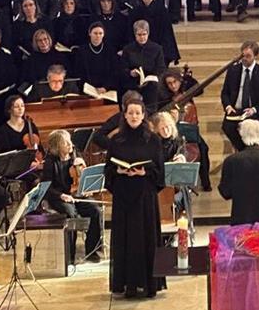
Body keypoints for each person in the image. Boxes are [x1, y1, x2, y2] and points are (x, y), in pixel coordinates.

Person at [104, 97, 166, 298]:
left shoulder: (153, 139)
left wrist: (144, 172)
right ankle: (127, 284)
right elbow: (108, 170)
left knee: (146, 238)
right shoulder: (116, 140)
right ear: (125, 115)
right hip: (123, 195)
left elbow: (159, 172)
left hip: (145, 196)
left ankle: (149, 284)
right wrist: (119, 171)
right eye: (130, 113)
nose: (134, 116)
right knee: (126, 239)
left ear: (143, 115)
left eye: (137, 113)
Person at [39, 130, 102, 262]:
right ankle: (69, 255)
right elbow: (46, 187)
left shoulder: (75, 156)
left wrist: (85, 184)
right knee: (70, 214)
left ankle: (92, 251)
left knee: (95, 210)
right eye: (65, 142)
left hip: (77, 194)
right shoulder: (50, 162)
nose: (70, 144)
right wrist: (61, 195)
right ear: (56, 146)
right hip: (59, 197)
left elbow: (81, 177)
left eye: (69, 141)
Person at [220, 41, 259, 153]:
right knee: (227, 127)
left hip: (254, 112)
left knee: (250, 128)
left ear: (255, 56)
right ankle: (246, 151)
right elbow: (225, 93)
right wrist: (228, 106)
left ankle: (246, 153)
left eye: (248, 56)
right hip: (236, 111)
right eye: (243, 55)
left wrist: (254, 109)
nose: (244, 59)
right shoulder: (233, 70)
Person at [120, 20, 166, 110]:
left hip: (151, 86)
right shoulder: (128, 49)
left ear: (148, 33)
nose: (142, 37)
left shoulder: (157, 48)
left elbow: (161, 68)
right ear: (135, 35)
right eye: (139, 35)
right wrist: (130, 73)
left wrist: (150, 78)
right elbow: (122, 69)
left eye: (144, 34)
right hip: (133, 85)